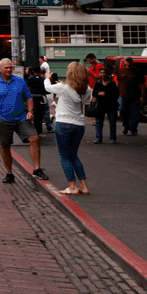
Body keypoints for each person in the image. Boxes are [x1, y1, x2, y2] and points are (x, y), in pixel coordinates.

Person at [0, 58, 49, 184]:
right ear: (0, 69)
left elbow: (29, 98)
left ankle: (37, 169)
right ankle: (9, 172)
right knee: (5, 146)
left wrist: (30, 111)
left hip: (21, 117)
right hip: (3, 119)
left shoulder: (20, 81)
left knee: (34, 138)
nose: (9, 70)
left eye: (10, 68)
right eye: (6, 68)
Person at [45, 63, 92, 195]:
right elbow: (83, 98)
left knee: (64, 156)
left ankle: (72, 186)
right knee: (74, 155)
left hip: (64, 123)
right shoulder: (87, 89)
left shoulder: (63, 87)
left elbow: (47, 87)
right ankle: (83, 185)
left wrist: (47, 77)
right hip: (79, 125)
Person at [91, 64, 120, 144]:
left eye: (104, 73)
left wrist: (106, 94)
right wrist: (99, 94)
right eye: (101, 73)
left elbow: (116, 94)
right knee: (99, 122)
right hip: (101, 105)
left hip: (111, 105)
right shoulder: (98, 83)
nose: (102, 75)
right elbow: (94, 93)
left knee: (112, 122)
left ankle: (112, 138)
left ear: (107, 74)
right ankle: (98, 138)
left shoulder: (112, 83)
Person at [118, 57, 145, 136]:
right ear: (125, 62)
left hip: (135, 95)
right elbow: (118, 82)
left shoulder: (137, 71)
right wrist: (117, 93)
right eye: (127, 61)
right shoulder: (120, 71)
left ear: (132, 62)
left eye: (130, 61)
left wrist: (142, 95)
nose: (129, 62)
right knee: (122, 110)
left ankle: (133, 129)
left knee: (135, 113)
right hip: (123, 95)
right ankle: (126, 126)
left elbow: (142, 84)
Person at [24, 68, 48, 136]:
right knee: (39, 116)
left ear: (33, 72)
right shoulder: (43, 79)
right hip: (41, 99)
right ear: (40, 72)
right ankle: (39, 132)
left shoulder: (30, 79)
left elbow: (28, 88)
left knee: (32, 114)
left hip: (32, 98)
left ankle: (32, 131)